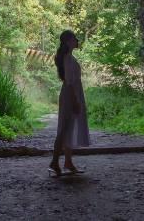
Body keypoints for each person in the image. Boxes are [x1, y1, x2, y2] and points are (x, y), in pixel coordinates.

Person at [49, 30, 89, 176]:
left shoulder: (69, 57)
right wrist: (75, 101)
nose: (77, 40)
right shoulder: (67, 58)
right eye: (74, 38)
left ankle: (68, 162)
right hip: (70, 95)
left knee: (68, 128)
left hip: (72, 93)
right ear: (68, 41)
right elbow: (69, 82)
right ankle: (54, 163)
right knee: (64, 129)